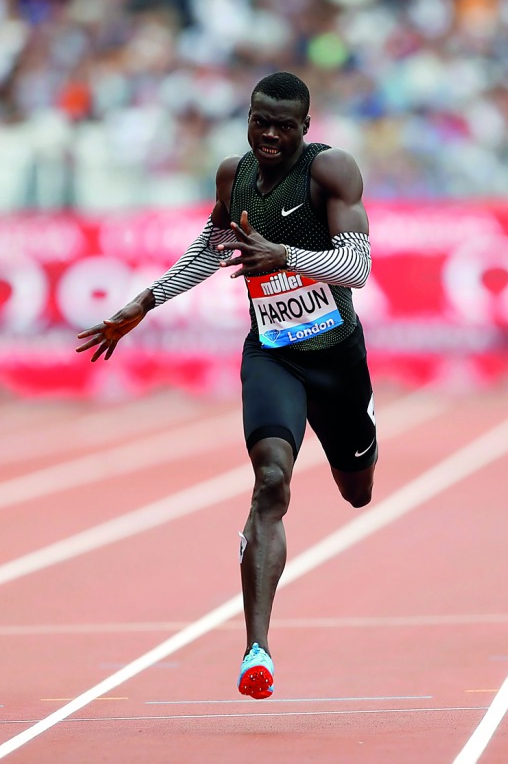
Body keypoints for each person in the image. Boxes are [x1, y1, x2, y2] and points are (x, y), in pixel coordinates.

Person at [77, 71, 377, 698]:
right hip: (273, 353)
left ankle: (354, 452)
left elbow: (356, 268)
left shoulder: (332, 172)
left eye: (283, 125)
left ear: (306, 127)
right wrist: (143, 303)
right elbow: (210, 251)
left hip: (336, 358)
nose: (269, 134)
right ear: (248, 116)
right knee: (271, 479)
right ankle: (256, 650)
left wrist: (286, 256)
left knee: (358, 491)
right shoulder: (232, 176)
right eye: (259, 120)